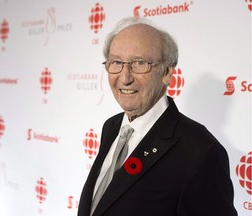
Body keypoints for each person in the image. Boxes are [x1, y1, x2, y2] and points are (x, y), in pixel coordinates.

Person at [78, 17, 238, 216]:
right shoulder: (111, 127)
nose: (125, 78)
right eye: (116, 62)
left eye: (139, 63)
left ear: (167, 72)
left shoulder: (201, 151)